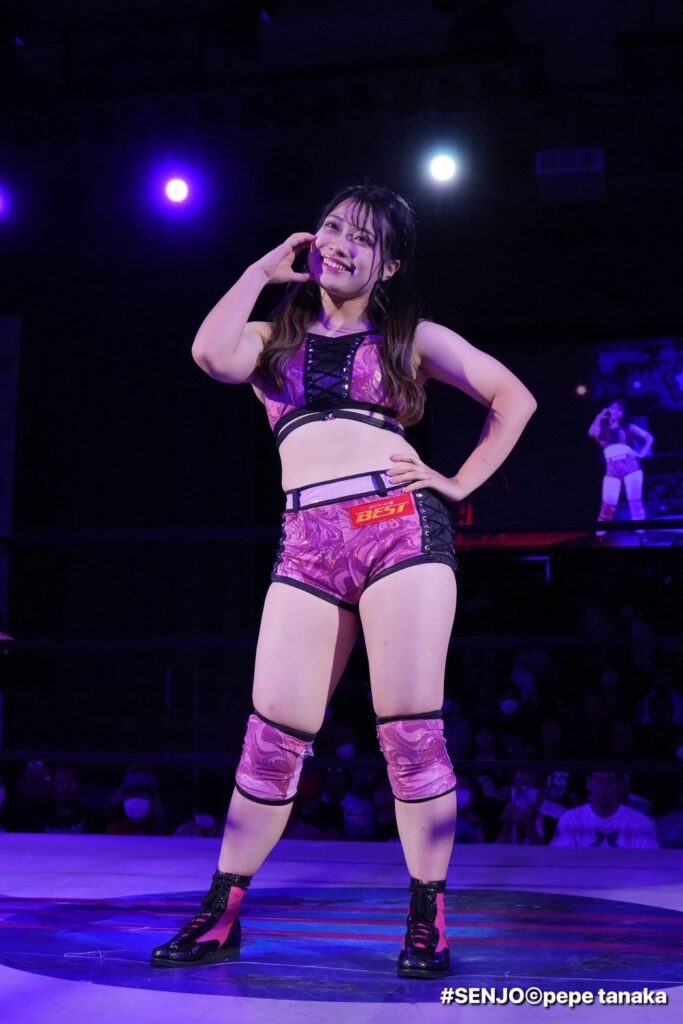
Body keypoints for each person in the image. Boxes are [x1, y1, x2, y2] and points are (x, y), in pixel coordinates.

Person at [151, 183, 536, 978]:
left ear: (387, 264)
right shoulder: (269, 337)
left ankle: (427, 918)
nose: (340, 244)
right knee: (271, 739)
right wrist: (261, 271)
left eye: (363, 237)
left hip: (398, 527)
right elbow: (208, 355)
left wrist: (457, 482)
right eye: (332, 227)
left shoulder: (412, 337)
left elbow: (514, 398)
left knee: (410, 735)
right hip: (307, 542)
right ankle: (222, 911)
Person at [588, 399, 653, 539]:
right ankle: (600, 536)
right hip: (612, 468)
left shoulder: (628, 427)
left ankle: (641, 534)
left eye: (618, 409)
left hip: (631, 466)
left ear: (622, 414)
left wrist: (641, 453)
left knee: (635, 502)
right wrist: (600, 415)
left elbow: (649, 438)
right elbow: (591, 432)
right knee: (608, 505)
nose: (615, 411)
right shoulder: (602, 429)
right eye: (612, 408)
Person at [550, 770, 658, 849]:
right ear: (589, 783)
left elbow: (649, 864)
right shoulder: (570, 819)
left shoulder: (641, 823)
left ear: (621, 785)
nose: (604, 787)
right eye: (599, 780)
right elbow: (561, 861)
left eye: (610, 781)